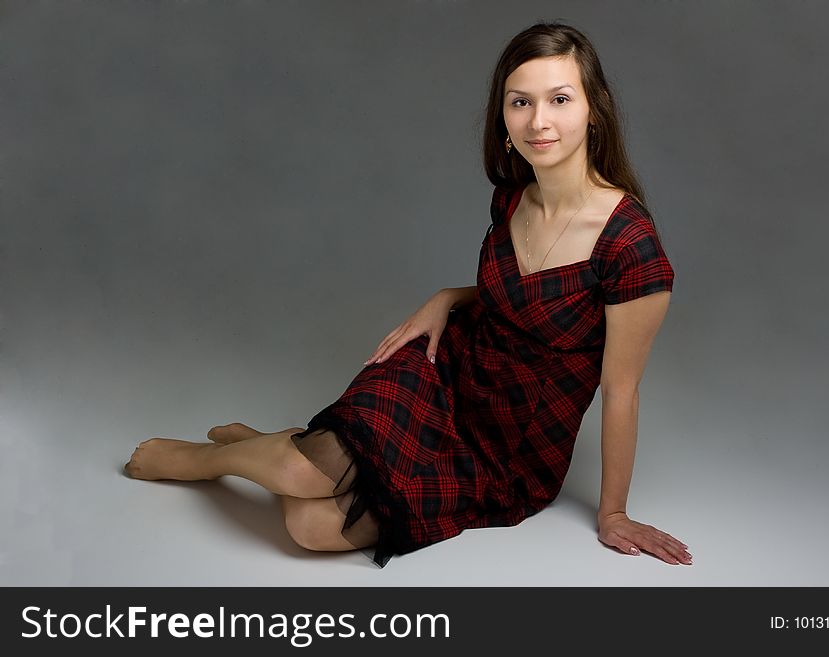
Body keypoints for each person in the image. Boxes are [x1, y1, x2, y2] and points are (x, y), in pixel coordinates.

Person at [124, 20, 692, 569]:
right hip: (445, 373)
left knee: (309, 529)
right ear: (503, 114)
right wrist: (447, 297)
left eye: (560, 99)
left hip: (510, 448)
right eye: (520, 101)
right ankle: (206, 461)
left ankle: (271, 446)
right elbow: (521, 298)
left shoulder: (631, 248)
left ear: (595, 110)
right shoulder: (514, 199)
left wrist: (614, 512)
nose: (539, 121)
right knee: (301, 477)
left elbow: (621, 390)